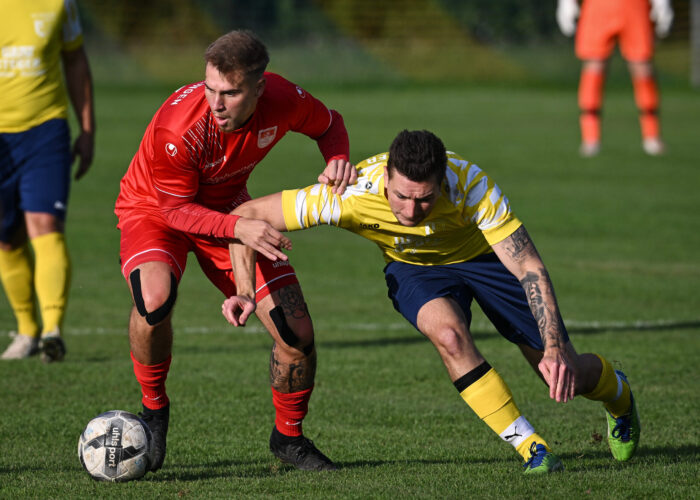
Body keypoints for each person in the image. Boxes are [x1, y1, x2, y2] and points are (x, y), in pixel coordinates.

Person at [223, 129, 641, 474]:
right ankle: (532, 448)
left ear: (442, 182)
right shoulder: (349, 192)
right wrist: (243, 290)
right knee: (449, 336)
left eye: (425, 198)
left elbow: (529, 266)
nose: (411, 208)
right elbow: (246, 217)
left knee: (563, 372)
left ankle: (618, 395)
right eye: (401, 196)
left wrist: (552, 347)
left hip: (485, 260)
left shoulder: (473, 186)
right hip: (414, 268)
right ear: (386, 177)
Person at [114, 30, 357, 473]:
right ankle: (154, 412)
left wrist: (337, 156)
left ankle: (289, 438)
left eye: (230, 92)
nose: (217, 103)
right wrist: (241, 226)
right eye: (210, 89)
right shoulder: (180, 127)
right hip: (155, 209)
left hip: (229, 210)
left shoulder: (284, 98)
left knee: (296, 331)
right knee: (153, 301)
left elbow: (328, 124)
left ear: (260, 88)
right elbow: (176, 212)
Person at [0, 0, 95, 362]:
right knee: (7, 239)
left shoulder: (60, 3)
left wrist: (87, 129)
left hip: (45, 129)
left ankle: (52, 329)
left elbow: (75, 60)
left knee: (46, 223)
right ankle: (27, 331)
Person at [556, 0, 674, 156]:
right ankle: (590, 138)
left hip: (635, 6)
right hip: (598, 6)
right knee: (594, 65)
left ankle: (651, 136)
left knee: (642, 66)